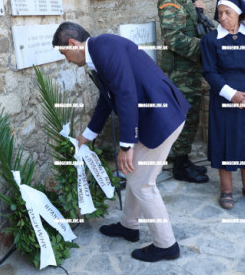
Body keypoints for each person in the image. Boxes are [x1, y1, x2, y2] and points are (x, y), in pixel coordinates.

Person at [53, 22, 191, 262]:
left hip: (161, 118)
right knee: (135, 175)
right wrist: (87, 136)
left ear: (73, 44)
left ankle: (166, 244)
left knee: (143, 184)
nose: (67, 60)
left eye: (64, 54)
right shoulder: (100, 51)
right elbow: (107, 100)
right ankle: (129, 226)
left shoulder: (104, 47)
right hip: (156, 116)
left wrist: (126, 145)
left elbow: (126, 94)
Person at [158, 0, 209, 183]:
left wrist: (200, 11)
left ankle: (184, 160)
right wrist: (205, 48)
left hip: (191, 70)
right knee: (184, 119)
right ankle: (180, 166)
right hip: (180, 73)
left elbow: (197, 29)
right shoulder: (169, 2)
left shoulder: (184, 0)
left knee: (192, 117)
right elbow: (173, 39)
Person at [201, 0, 245, 210]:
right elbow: (209, 71)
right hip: (224, 96)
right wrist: (232, 94)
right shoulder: (210, 40)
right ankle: (226, 190)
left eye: (228, 12)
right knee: (225, 140)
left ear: (238, 13)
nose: (224, 17)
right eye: (220, 13)